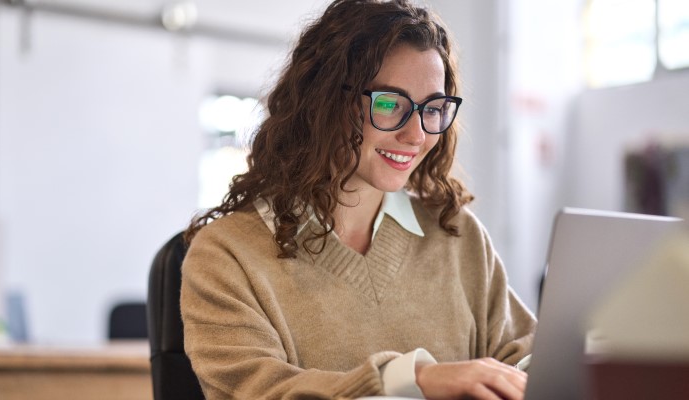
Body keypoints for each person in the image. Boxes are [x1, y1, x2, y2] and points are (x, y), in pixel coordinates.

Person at [180, 0, 536, 399]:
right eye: (389, 104)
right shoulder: (227, 255)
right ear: (323, 103)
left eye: (432, 109)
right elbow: (260, 391)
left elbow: (525, 358)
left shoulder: (458, 234)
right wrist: (412, 380)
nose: (417, 135)